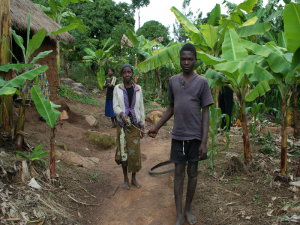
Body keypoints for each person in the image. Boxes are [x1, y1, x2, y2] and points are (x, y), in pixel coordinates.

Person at [148, 44, 214, 225]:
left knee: (193, 173)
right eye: (183, 59)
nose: (186, 62)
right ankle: (178, 214)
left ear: (195, 60)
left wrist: (204, 141)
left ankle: (188, 209)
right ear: (179, 59)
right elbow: (171, 107)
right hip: (178, 136)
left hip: (195, 137)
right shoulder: (173, 81)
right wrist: (158, 126)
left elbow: (206, 112)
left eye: (190, 59)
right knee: (178, 174)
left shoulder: (202, 83)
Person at [113, 64, 145, 190]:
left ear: (132, 74)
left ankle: (134, 178)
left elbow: (141, 107)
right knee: (124, 153)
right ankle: (125, 179)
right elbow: (115, 106)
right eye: (124, 72)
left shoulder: (138, 89)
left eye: (129, 72)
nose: (127, 75)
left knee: (135, 153)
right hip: (122, 126)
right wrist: (121, 114)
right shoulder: (117, 88)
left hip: (134, 125)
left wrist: (142, 125)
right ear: (122, 74)